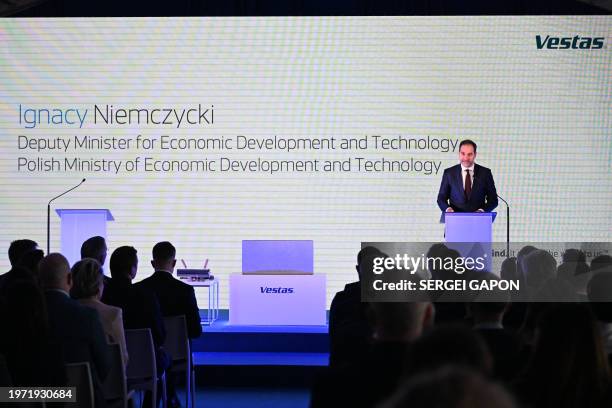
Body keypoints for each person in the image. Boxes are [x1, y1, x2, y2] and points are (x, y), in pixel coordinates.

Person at [38, 253, 110, 408]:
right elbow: (104, 367)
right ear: (70, 279)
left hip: (35, 398)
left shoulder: (22, 315)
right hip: (82, 397)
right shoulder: (87, 316)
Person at [71, 258, 128, 368]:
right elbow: (123, 359)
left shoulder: (65, 312)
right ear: (98, 286)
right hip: (106, 383)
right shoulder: (114, 314)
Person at [437, 139, 498, 219]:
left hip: (479, 222)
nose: (466, 158)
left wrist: (482, 211)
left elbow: (493, 200)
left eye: (470, 154)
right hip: (454, 222)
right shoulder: (449, 173)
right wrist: (448, 209)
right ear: (459, 154)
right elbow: (441, 198)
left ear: (475, 155)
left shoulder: (485, 173)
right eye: (463, 154)